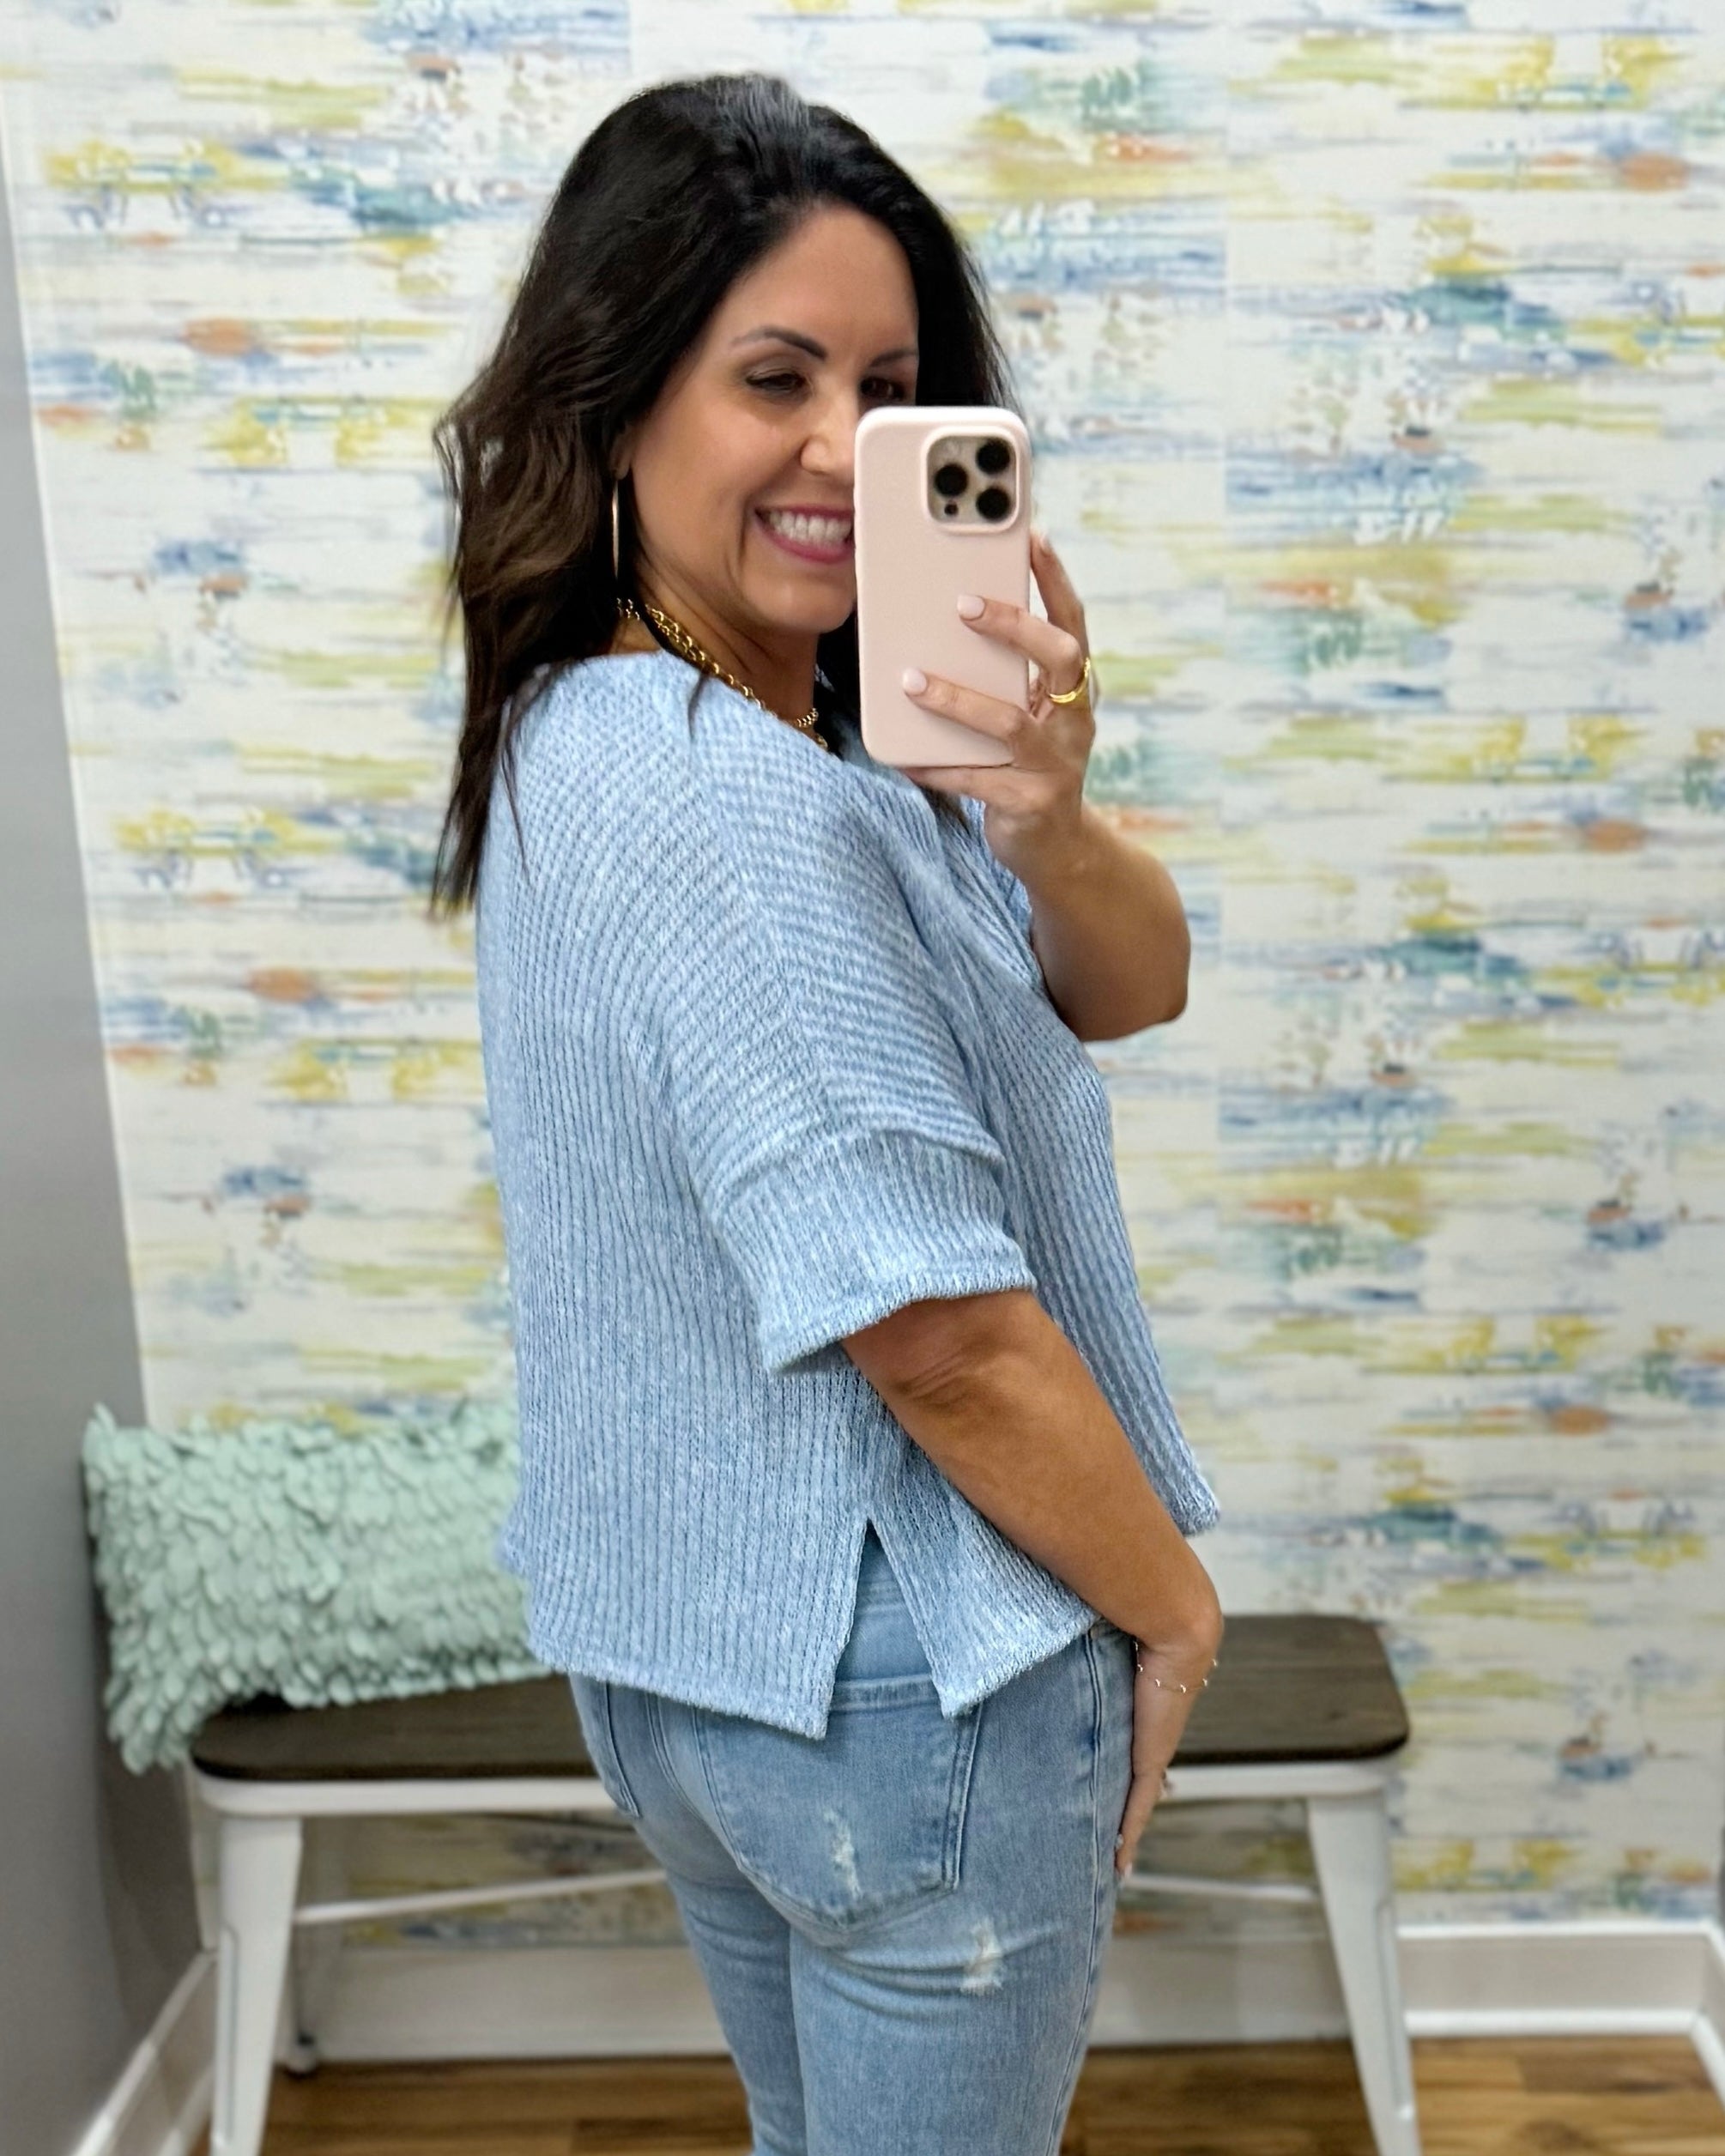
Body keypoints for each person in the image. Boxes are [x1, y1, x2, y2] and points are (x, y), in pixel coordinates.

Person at [431, 71, 1222, 2156]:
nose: (831, 447)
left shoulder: (728, 735)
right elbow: (938, 1331)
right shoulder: (722, 789)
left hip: (713, 1668)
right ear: (620, 399)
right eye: (769, 375)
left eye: (883, 390)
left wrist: (1046, 811)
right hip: (900, 1680)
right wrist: (1174, 1600)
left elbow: (1131, 983)